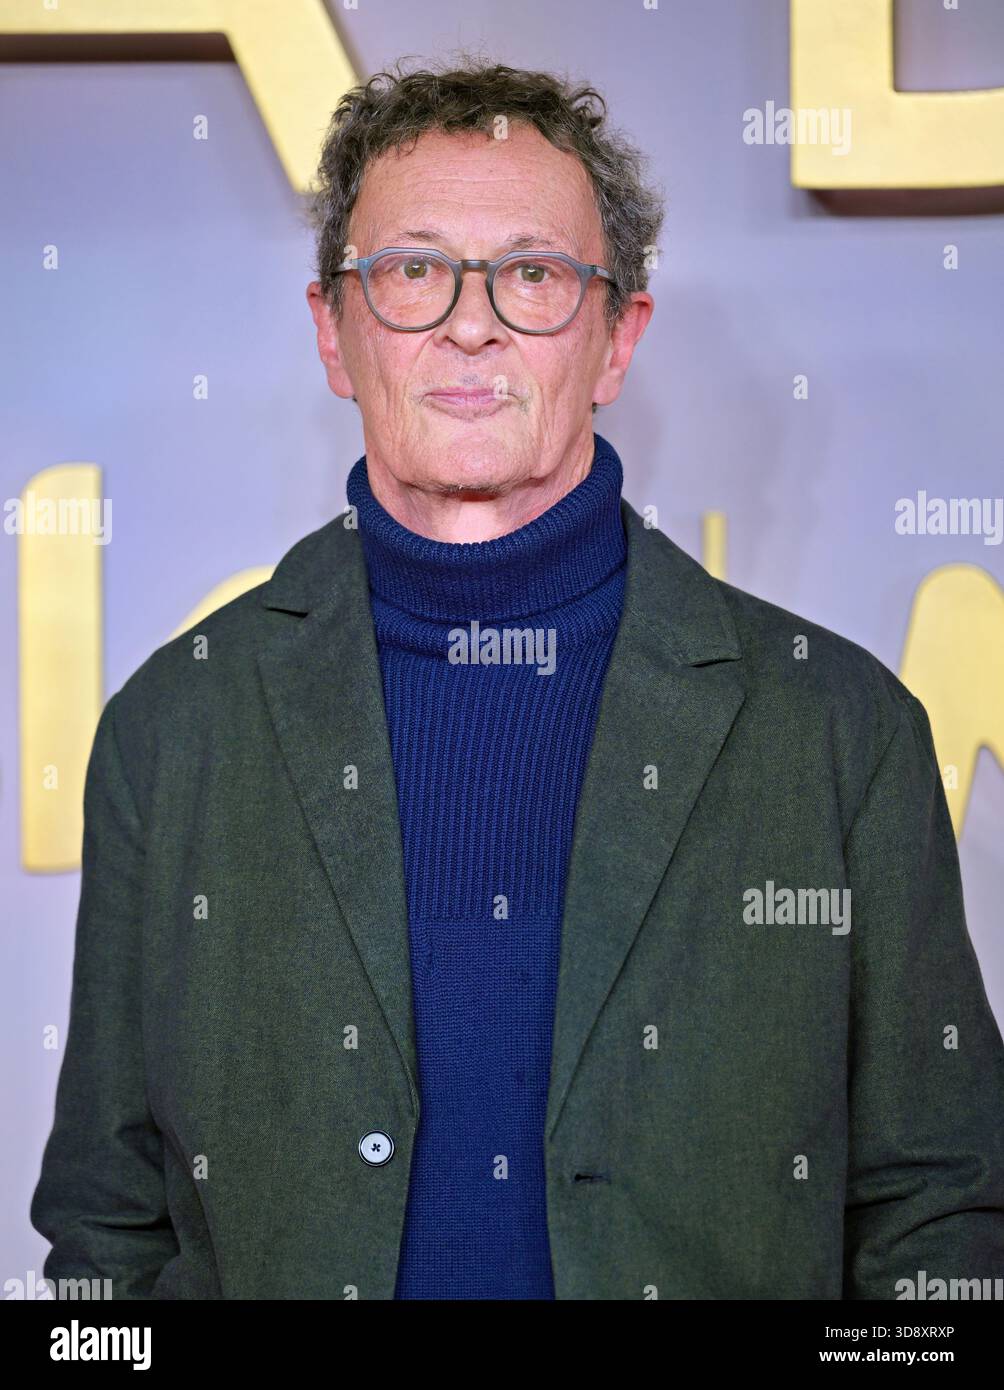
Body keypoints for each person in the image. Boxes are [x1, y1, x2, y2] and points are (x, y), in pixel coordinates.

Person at [31, 58, 1004, 1300]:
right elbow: (105, 1238)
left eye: (532, 273)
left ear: (616, 337)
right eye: (412, 271)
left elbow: (939, 1213)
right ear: (333, 331)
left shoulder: (837, 726)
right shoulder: (174, 731)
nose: (471, 321)